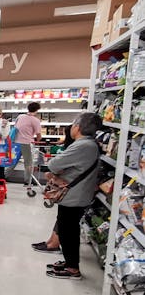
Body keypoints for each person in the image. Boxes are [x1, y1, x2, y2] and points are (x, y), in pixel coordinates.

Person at [45, 113, 103, 280]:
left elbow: (54, 164)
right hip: (76, 193)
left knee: (68, 230)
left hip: (74, 195)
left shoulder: (83, 145)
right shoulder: (88, 144)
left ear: (78, 127)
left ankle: (72, 269)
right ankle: (69, 261)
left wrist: (59, 169)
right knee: (66, 228)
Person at [32, 124, 74, 254]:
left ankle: (54, 244)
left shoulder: (76, 148)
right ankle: (51, 241)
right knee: (62, 217)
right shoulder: (76, 147)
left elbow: (54, 165)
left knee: (65, 218)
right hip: (68, 187)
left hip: (70, 188)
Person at [12, 102, 43, 186]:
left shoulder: (20, 116)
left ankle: (3, 176)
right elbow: (38, 134)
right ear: (37, 110)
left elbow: (15, 128)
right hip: (26, 143)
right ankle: (27, 181)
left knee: (13, 161)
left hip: (16, 142)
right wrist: (38, 139)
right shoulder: (35, 120)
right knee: (28, 163)